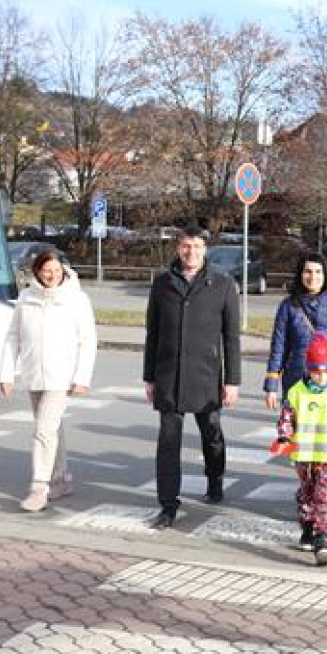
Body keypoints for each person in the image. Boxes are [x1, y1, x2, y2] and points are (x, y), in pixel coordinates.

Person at [143, 226, 241, 530]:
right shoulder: (162, 284)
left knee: (211, 433)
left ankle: (215, 477)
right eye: (186, 246)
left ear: (205, 249)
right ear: (177, 248)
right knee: (168, 441)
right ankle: (168, 506)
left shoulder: (223, 285)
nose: (191, 252)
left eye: (197, 246)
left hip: (206, 375)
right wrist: (149, 377)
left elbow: (231, 338)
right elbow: (153, 333)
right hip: (169, 375)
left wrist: (232, 381)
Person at [0, 249, 97, 512]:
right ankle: (61, 478)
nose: (51, 275)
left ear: (63, 271)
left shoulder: (76, 299)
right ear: (37, 272)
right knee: (51, 429)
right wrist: (6, 374)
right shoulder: (26, 297)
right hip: (33, 374)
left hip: (61, 377)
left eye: (55, 270)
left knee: (43, 430)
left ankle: (39, 486)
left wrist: (81, 377)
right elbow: (13, 337)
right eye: (45, 270)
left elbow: (87, 340)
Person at [271, 334, 327, 567]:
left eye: (326, 371)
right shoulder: (297, 391)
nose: (321, 377)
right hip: (303, 454)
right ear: (308, 369)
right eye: (316, 372)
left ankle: (324, 537)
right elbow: (287, 417)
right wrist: (284, 436)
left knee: (324, 495)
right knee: (306, 492)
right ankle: (307, 526)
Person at [264, 252, 327, 409]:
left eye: (318, 272)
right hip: (296, 381)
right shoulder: (288, 306)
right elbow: (279, 348)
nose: (313, 277)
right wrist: (271, 386)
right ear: (300, 274)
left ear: (325, 274)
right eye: (308, 271)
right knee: (296, 430)